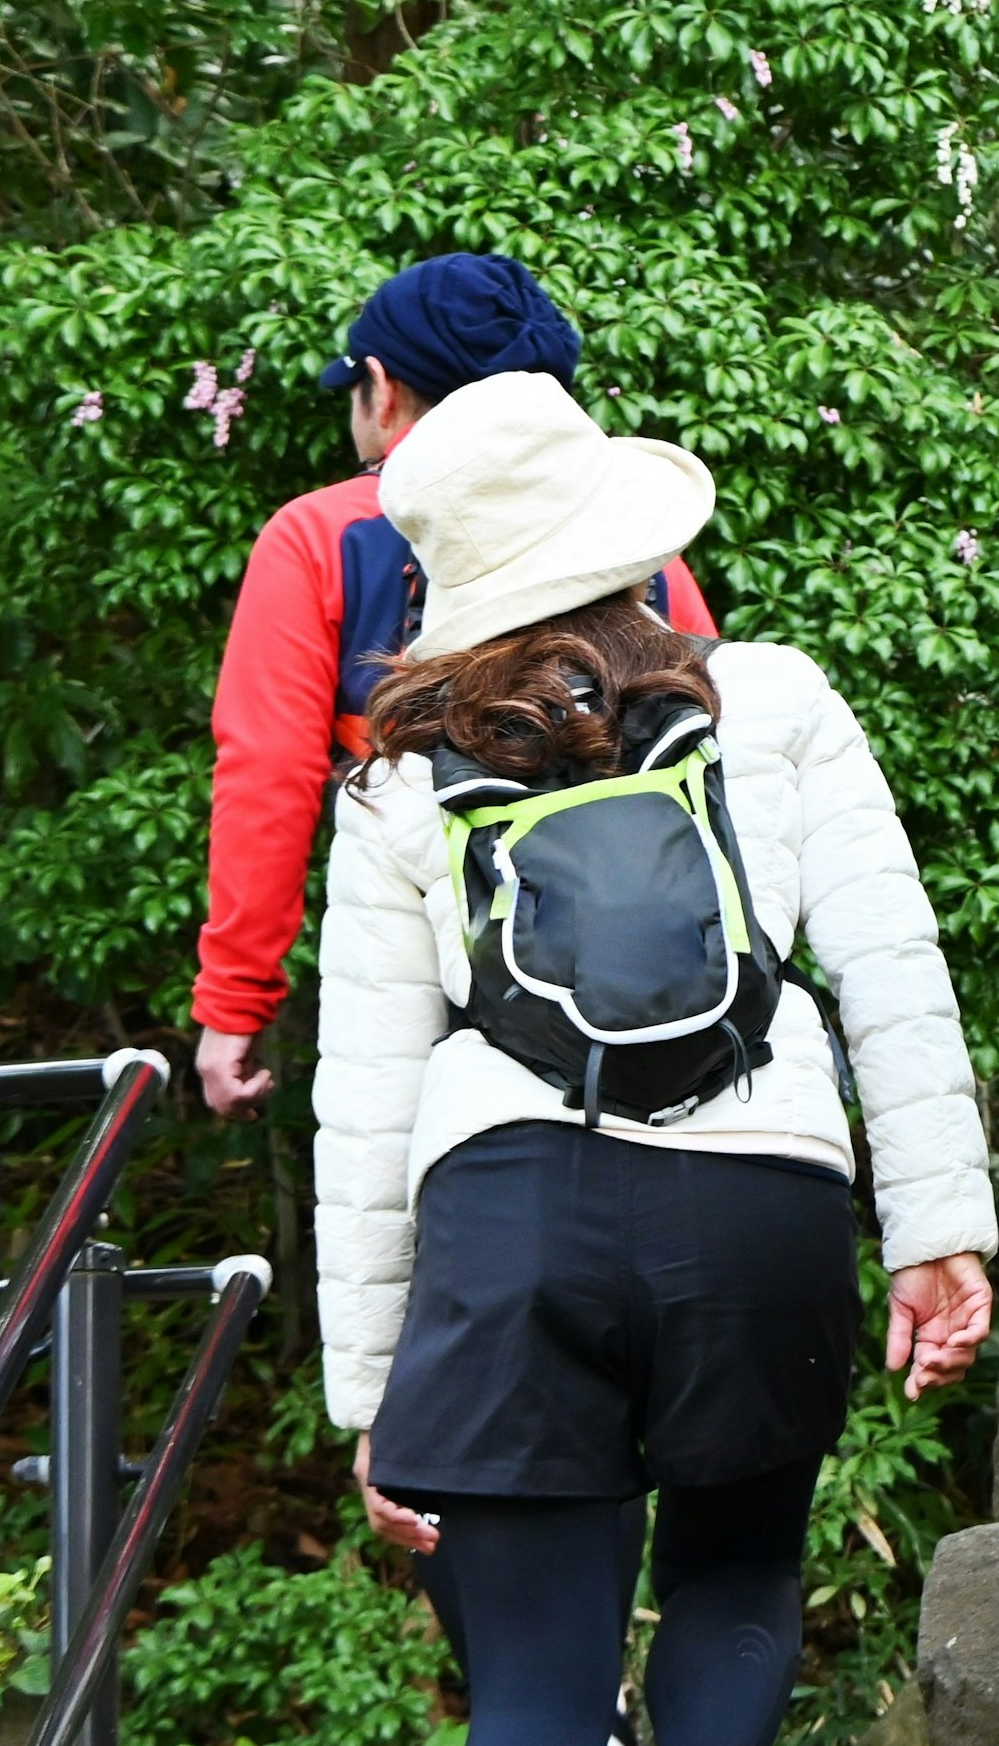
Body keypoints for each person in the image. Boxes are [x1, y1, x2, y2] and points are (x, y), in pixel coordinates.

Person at [311, 372, 996, 1746]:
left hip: (512, 1204)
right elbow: (891, 965)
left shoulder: (398, 783)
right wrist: (939, 1229)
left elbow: (364, 1101)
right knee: (739, 1556)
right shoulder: (768, 697)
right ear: (623, 540)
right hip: (756, 1190)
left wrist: (370, 1390)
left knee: (537, 1700)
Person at [192, 254, 715, 1121]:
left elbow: (268, 779)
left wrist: (235, 1003)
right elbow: (714, 750)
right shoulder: (638, 544)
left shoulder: (320, 539)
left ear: (381, 388)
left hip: (433, 979)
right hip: (660, 981)